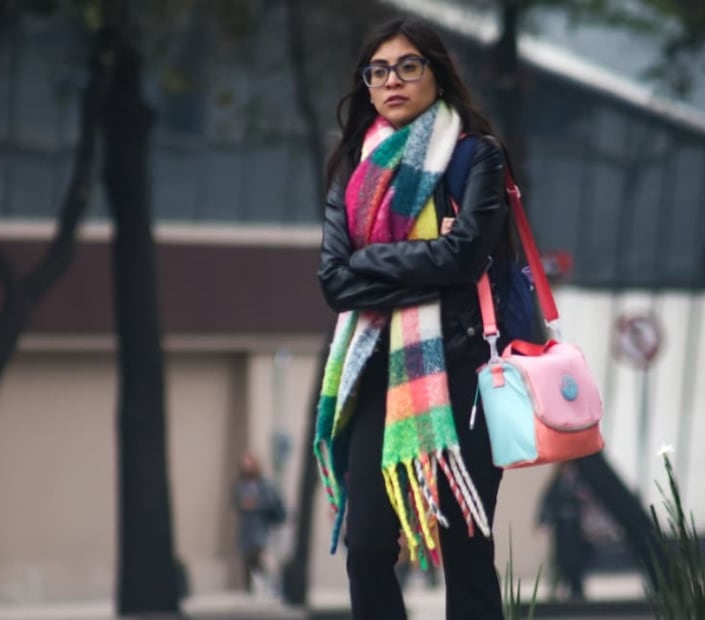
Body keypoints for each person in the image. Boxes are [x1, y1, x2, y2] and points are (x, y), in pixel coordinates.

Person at [315, 17, 522, 620]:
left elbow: (464, 258)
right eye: (378, 71)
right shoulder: (355, 168)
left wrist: (370, 259)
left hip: (460, 373)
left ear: (438, 73)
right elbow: (333, 279)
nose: (392, 81)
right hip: (379, 375)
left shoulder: (475, 156)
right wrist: (419, 258)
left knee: (467, 547)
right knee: (367, 548)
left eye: (408, 66)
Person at [233, 452, 284, 595]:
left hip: (260, 526)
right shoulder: (240, 485)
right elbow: (236, 503)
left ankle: (271, 582)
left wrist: (255, 505)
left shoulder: (263, 484)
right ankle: (247, 589)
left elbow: (270, 502)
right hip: (245, 527)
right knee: (246, 558)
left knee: (257, 556)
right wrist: (243, 505)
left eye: (249, 463)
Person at [537, 463, 588, 601]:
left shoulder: (578, 484)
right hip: (562, 529)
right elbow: (547, 503)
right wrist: (545, 521)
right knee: (559, 560)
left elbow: (584, 506)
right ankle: (555, 589)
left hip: (574, 530)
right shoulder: (556, 484)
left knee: (575, 561)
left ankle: (576, 589)